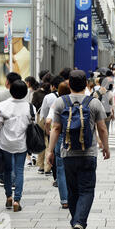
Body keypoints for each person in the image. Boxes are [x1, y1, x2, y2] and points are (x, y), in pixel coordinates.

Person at [46, 70, 110, 229]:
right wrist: (106, 147)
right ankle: (80, 222)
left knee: (73, 190)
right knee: (87, 189)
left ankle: (76, 220)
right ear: (85, 84)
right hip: (88, 153)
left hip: (67, 153)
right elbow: (102, 128)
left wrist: (50, 151)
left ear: (69, 85)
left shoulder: (61, 102)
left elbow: (55, 128)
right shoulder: (94, 103)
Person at [0, 80, 37, 212]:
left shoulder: (3, 105)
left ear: (11, 91)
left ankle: (9, 196)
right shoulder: (30, 107)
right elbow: (33, 123)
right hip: (22, 143)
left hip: (5, 143)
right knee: (20, 170)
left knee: (7, 170)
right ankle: (17, 200)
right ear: (25, 92)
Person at [45, 81, 71, 209]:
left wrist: (47, 131)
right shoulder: (75, 101)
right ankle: (74, 196)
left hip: (60, 137)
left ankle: (65, 200)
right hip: (74, 136)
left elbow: (49, 120)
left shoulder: (57, 102)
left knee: (60, 169)